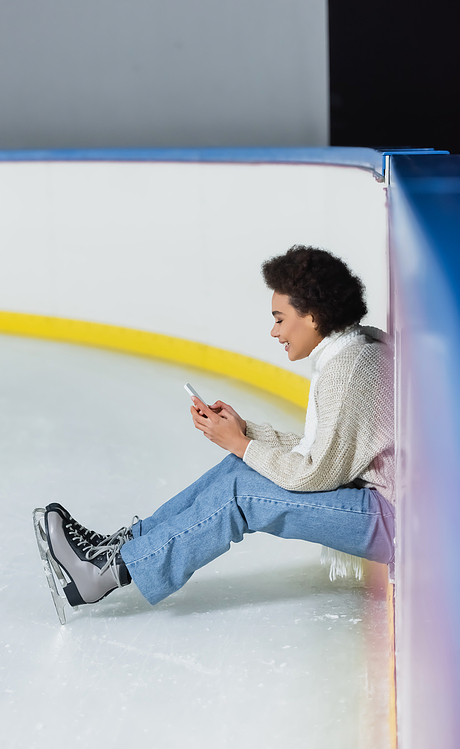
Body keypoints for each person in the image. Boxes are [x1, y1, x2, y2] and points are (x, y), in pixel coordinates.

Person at [34, 245, 395, 619]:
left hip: (393, 520)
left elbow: (316, 473)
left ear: (314, 316)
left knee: (241, 492)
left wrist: (243, 444)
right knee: (240, 469)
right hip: (376, 500)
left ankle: (103, 573)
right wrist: (245, 433)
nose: (274, 331)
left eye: (279, 319)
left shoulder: (348, 368)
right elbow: (328, 453)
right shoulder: (354, 349)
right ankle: (122, 548)